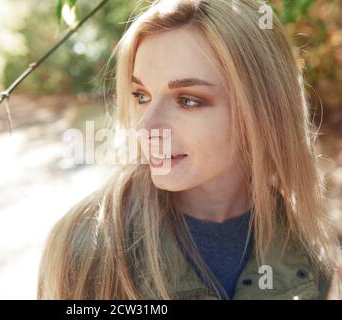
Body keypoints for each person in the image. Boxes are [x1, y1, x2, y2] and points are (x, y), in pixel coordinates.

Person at [37, 0, 341, 299]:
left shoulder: (310, 245)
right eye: (141, 95)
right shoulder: (86, 247)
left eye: (187, 100)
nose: (145, 128)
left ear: (263, 109)